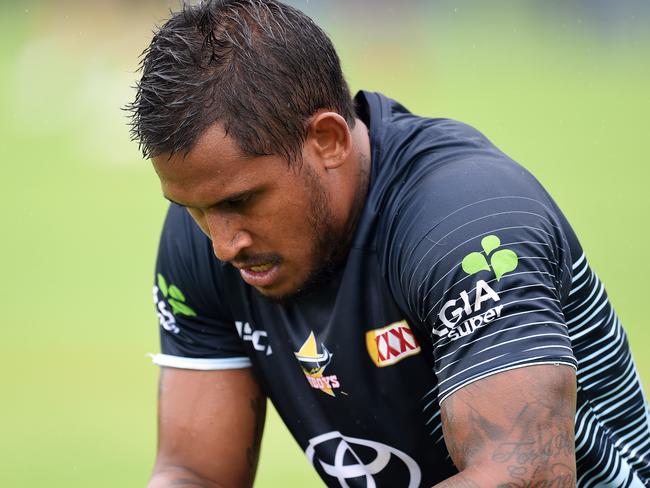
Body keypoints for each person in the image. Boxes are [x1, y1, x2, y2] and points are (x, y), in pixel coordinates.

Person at [128, 1, 650, 486]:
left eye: (241, 201)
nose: (221, 244)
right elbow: (195, 473)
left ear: (327, 140)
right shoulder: (208, 240)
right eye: (192, 209)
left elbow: (527, 474)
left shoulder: (461, 221)